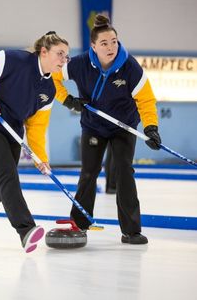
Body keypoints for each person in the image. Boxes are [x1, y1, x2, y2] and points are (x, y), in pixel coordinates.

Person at [53, 14, 161, 245]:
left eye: (114, 41)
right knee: (89, 173)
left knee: (124, 173)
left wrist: (151, 128)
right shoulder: (80, 64)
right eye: (104, 43)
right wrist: (68, 100)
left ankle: (131, 231)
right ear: (93, 46)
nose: (111, 47)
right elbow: (52, 76)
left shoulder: (130, 66)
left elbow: (146, 100)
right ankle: (79, 225)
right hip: (93, 126)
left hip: (124, 127)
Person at [0, 31, 70, 253]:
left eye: (66, 56)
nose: (63, 60)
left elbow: (36, 127)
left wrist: (41, 158)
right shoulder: (13, 60)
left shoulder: (49, 91)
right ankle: (25, 229)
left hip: (10, 132)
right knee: (8, 174)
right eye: (60, 54)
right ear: (44, 52)